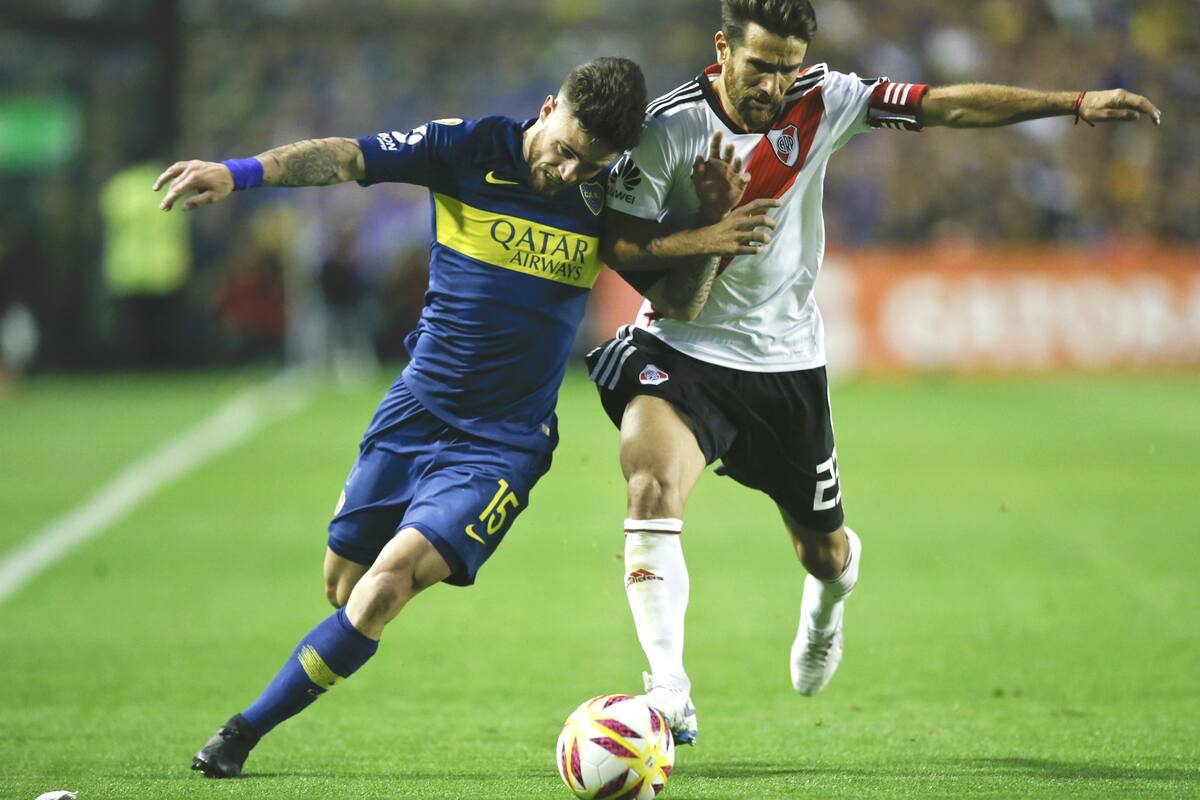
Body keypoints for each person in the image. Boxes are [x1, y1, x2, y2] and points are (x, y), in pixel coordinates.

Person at [154, 57, 776, 778]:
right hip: (416, 408)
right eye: (566, 151)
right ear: (547, 108)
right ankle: (328, 634)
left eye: (592, 164)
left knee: (382, 591)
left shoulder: (607, 198)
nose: (571, 173)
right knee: (343, 583)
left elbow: (680, 302)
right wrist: (240, 174)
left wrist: (707, 228)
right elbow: (348, 157)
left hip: (504, 444)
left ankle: (237, 736)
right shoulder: (467, 148)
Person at [589, 0, 1162, 745]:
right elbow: (623, 250)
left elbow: (941, 107)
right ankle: (668, 694)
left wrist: (1073, 103)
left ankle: (829, 600)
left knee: (822, 553)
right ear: (722, 48)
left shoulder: (824, 100)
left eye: (787, 67)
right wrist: (705, 227)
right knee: (649, 484)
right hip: (680, 348)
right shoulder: (667, 128)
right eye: (760, 65)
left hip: (785, 365)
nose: (774, 83)